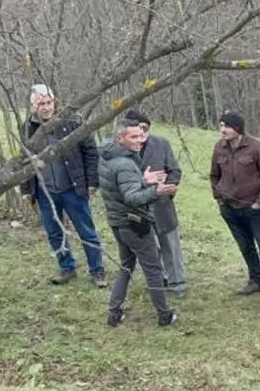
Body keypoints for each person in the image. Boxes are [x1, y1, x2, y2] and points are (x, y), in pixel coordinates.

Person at [20, 84, 108, 287]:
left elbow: (90, 151)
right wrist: (26, 190)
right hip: (45, 192)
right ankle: (66, 267)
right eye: (41, 103)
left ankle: (97, 270)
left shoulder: (72, 121)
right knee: (54, 232)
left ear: (55, 101)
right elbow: (24, 160)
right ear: (33, 105)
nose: (46, 107)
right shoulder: (27, 128)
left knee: (86, 230)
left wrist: (92, 182)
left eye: (49, 102)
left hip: (73, 188)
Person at [99, 119, 179, 327]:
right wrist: (156, 191)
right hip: (134, 224)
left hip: (117, 223)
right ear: (120, 139)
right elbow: (131, 198)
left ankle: (114, 313)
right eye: (133, 136)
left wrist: (143, 181)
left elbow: (119, 188)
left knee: (126, 267)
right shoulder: (125, 164)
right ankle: (164, 315)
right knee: (153, 270)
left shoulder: (108, 157)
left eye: (141, 135)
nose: (140, 140)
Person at [210, 111, 260, 304]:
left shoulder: (256, 148)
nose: (222, 130)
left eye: (226, 126)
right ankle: (256, 280)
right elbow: (214, 176)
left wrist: (259, 203)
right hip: (229, 208)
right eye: (221, 125)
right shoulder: (219, 148)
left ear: (238, 128)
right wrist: (219, 198)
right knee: (245, 247)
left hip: (254, 209)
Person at [124, 109, 187, 298]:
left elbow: (174, 171)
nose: (141, 133)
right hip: (137, 207)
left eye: (144, 128)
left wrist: (168, 188)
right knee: (149, 248)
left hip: (162, 205)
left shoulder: (161, 144)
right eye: (137, 128)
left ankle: (178, 283)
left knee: (170, 245)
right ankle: (160, 280)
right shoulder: (122, 150)